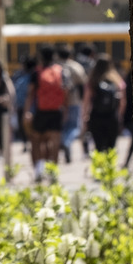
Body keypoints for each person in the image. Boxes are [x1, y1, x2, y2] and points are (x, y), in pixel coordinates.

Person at [27, 46, 66, 183]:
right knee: (54, 143)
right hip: (56, 111)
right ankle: (53, 172)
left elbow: (31, 93)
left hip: (41, 111)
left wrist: (27, 111)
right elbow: (66, 92)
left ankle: (39, 170)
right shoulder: (60, 71)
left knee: (37, 142)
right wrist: (65, 111)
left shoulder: (36, 73)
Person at [85, 56, 126, 155]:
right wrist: (120, 116)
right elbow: (122, 101)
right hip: (112, 116)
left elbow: (86, 100)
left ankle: (100, 168)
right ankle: (110, 168)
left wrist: (85, 115)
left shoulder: (93, 80)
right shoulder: (117, 79)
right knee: (111, 148)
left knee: (98, 147)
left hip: (96, 116)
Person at [56, 43, 87, 163]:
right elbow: (82, 84)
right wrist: (83, 100)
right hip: (74, 101)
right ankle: (67, 142)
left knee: (62, 127)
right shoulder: (76, 67)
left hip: (58, 103)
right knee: (74, 126)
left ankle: (63, 143)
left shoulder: (56, 67)